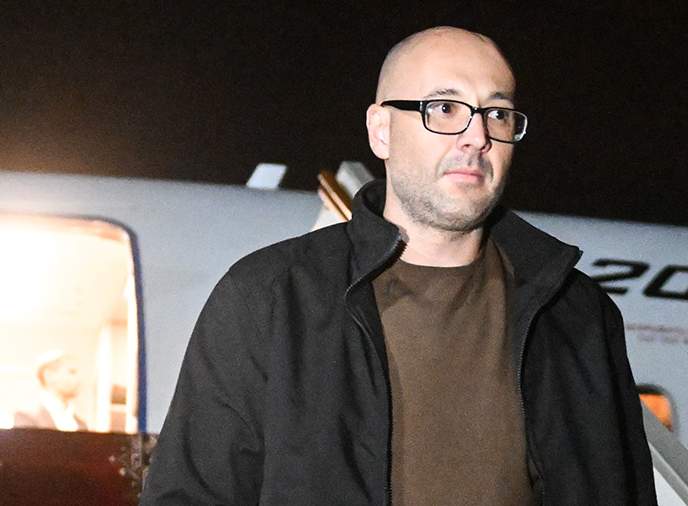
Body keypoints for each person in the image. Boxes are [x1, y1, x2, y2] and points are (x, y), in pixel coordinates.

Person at [141, 26, 656, 505]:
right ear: (381, 131)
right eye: (445, 108)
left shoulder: (577, 315)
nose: (477, 136)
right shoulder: (270, 298)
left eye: (497, 114)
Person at [14, 350, 87, 431]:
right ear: (49, 375)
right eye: (72, 372)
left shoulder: (82, 425)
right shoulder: (26, 416)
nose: (79, 380)